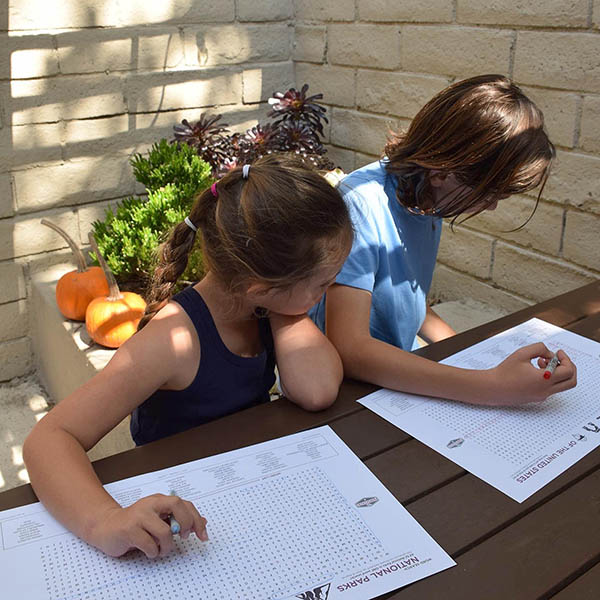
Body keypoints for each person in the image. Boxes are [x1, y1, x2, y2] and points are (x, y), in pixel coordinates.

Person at [23, 155, 354, 559]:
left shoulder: (268, 308)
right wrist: (103, 520)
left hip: (246, 487)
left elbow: (316, 390)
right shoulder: (172, 340)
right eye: (323, 284)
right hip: (179, 511)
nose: (329, 291)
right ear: (257, 285)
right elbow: (49, 440)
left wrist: (291, 303)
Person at [311, 74, 577, 406]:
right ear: (442, 171)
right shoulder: (359, 204)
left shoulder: (426, 196)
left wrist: (473, 354)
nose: (492, 205)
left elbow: (409, 302)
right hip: (352, 390)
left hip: (399, 371)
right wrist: (490, 386)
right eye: (488, 194)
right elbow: (349, 349)